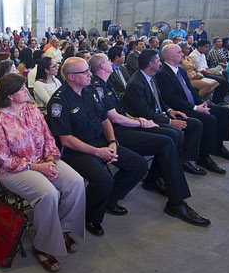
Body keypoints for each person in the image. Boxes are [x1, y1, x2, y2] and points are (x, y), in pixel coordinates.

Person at [89, 54, 211, 226]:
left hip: (125, 124)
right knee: (167, 141)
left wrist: (139, 120)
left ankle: (154, 179)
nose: (112, 63)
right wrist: (138, 122)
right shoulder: (97, 87)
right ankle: (176, 202)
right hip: (116, 133)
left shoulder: (107, 84)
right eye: (108, 62)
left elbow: (122, 112)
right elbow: (114, 118)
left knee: (173, 136)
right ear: (102, 67)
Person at [0, 74, 85, 272]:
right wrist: (37, 168)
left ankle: (63, 230)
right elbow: (3, 159)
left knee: (76, 182)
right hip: (13, 171)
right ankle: (43, 246)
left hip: (43, 160)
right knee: (48, 193)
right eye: (22, 89)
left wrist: (50, 159)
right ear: (10, 96)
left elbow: (49, 138)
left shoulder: (33, 110)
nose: (27, 91)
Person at [47, 57, 148, 237]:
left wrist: (112, 142)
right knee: (104, 180)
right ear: (71, 77)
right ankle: (91, 217)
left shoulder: (90, 91)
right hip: (75, 151)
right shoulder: (59, 102)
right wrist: (97, 152)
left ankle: (109, 199)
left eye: (88, 70)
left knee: (138, 164)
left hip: (101, 142)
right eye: (84, 72)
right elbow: (66, 139)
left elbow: (104, 119)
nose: (89, 74)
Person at [122, 50, 208, 176]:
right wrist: (170, 121)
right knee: (175, 134)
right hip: (147, 121)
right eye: (158, 61)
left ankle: (184, 160)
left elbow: (159, 101)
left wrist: (169, 110)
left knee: (195, 124)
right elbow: (145, 113)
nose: (161, 63)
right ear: (151, 64)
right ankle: (157, 174)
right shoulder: (136, 84)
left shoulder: (151, 77)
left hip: (159, 115)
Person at [157, 45, 229, 167]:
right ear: (170, 56)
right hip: (180, 109)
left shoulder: (181, 70)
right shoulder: (162, 74)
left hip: (192, 104)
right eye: (179, 52)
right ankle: (203, 155)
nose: (183, 54)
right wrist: (195, 108)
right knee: (209, 119)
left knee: (223, 112)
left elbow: (191, 90)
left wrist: (202, 103)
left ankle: (218, 146)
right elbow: (171, 99)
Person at [190, 40, 229, 105]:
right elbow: (202, 71)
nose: (207, 49)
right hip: (201, 74)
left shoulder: (202, 54)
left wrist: (215, 73)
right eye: (206, 47)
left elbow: (206, 68)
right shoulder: (194, 55)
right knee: (221, 81)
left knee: (225, 78)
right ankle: (216, 100)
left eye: (208, 47)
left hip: (205, 71)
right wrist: (215, 74)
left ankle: (221, 99)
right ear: (200, 47)